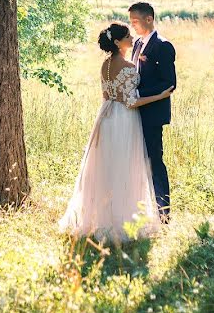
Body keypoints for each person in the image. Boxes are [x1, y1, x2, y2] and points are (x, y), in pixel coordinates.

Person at [58, 22, 174, 242]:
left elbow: (108, 94)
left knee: (106, 167)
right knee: (124, 167)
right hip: (123, 119)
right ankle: (121, 220)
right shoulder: (129, 67)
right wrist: (160, 95)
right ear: (119, 42)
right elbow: (131, 101)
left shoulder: (106, 65)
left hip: (106, 116)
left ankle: (103, 216)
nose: (132, 39)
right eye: (128, 37)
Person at [128, 1, 176, 223]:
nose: (133, 26)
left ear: (149, 19)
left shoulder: (163, 46)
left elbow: (169, 83)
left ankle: (163, 213)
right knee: (138, 161)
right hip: (134, 112)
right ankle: (142, 210)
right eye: (131, 22)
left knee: (154, 160)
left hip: (152, 113)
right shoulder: (137, 43)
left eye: (135, 21)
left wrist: (138, 94)